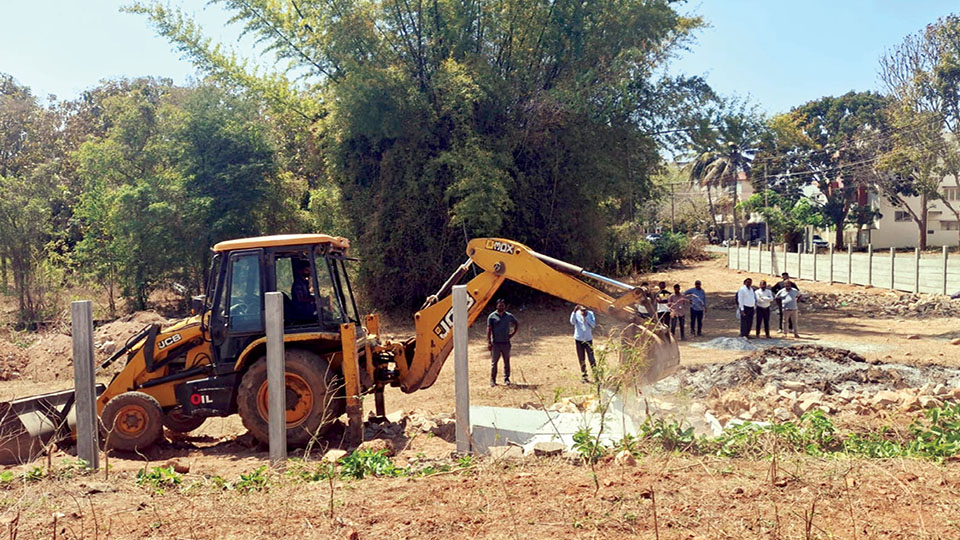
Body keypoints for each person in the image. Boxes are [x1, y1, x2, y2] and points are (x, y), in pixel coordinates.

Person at [487, 299, 519, 386]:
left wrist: (512, 334)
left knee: (506, 361)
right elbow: (489, 330)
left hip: (506, 343)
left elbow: (516, 323)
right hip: (496, 343)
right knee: (494, 363)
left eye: (502, 305)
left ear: (505, 306)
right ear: (496, 306)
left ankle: (507, 379)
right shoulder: (492, 316)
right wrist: (489, 342)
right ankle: (493, 380)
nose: (501, 307)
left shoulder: (508, 316)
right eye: (499, 305)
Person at [570, 305, 597, 383]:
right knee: (581, 359)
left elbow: (593, 325)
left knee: (591, 358)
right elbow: (572, 322)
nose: (583, 312)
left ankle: (596, 375)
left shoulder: (590, 314)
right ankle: (584, 376)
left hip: (588, 339)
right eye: (582, 310)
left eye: (584, 310)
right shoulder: (576, 313)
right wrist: (574, 312)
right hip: (579, 339)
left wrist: (586, 317)